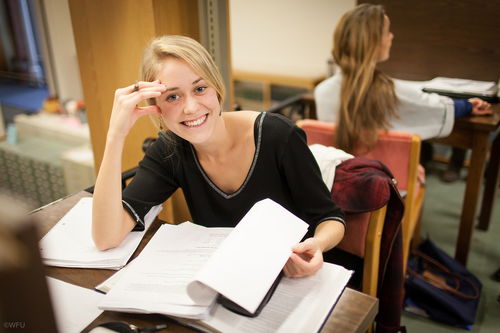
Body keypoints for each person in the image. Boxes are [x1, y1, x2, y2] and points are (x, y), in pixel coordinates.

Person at [91, 35, 346, 278]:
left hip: (291, 277)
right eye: (173, 96)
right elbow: (106, 237)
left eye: (200, 88)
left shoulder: (278, 135)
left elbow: (331, 219)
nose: (190, 108)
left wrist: (318, 244)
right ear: (157, 108)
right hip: (225, 282)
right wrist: (115, 136)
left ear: (217, 88)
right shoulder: (170, 151)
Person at [314, 3, 492, 181]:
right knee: (416, 167)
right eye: (387, 32)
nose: (391, 37)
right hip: (383, 183)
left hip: (335, 181)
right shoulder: (390, 91)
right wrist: (467, 105)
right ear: (374, 42)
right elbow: (432, 106)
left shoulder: (322, 92)